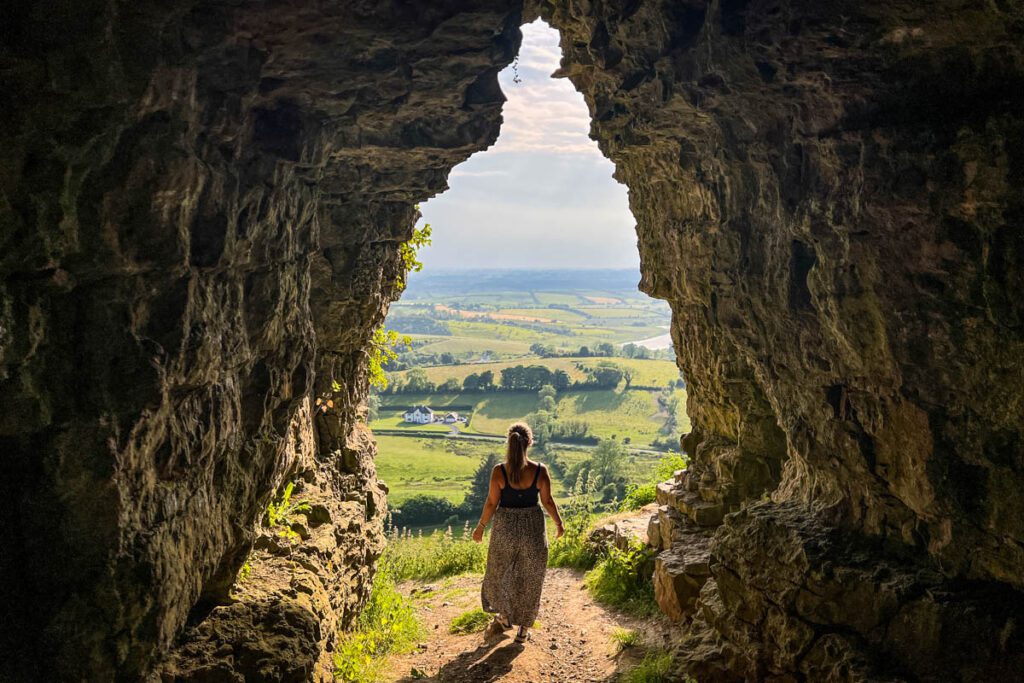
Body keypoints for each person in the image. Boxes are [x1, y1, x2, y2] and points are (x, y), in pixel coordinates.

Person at [471, 422, 564, 644]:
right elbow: (548, 501)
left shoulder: (499, 472)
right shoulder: (540, 471)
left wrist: (481, 527)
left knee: (499, 571)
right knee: (530, 576)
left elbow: (492, 502)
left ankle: (503, 617)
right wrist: (559, 523)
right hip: (533, 526)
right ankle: (523, 630)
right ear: (530, 442)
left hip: (505, 528)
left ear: (509, 442)